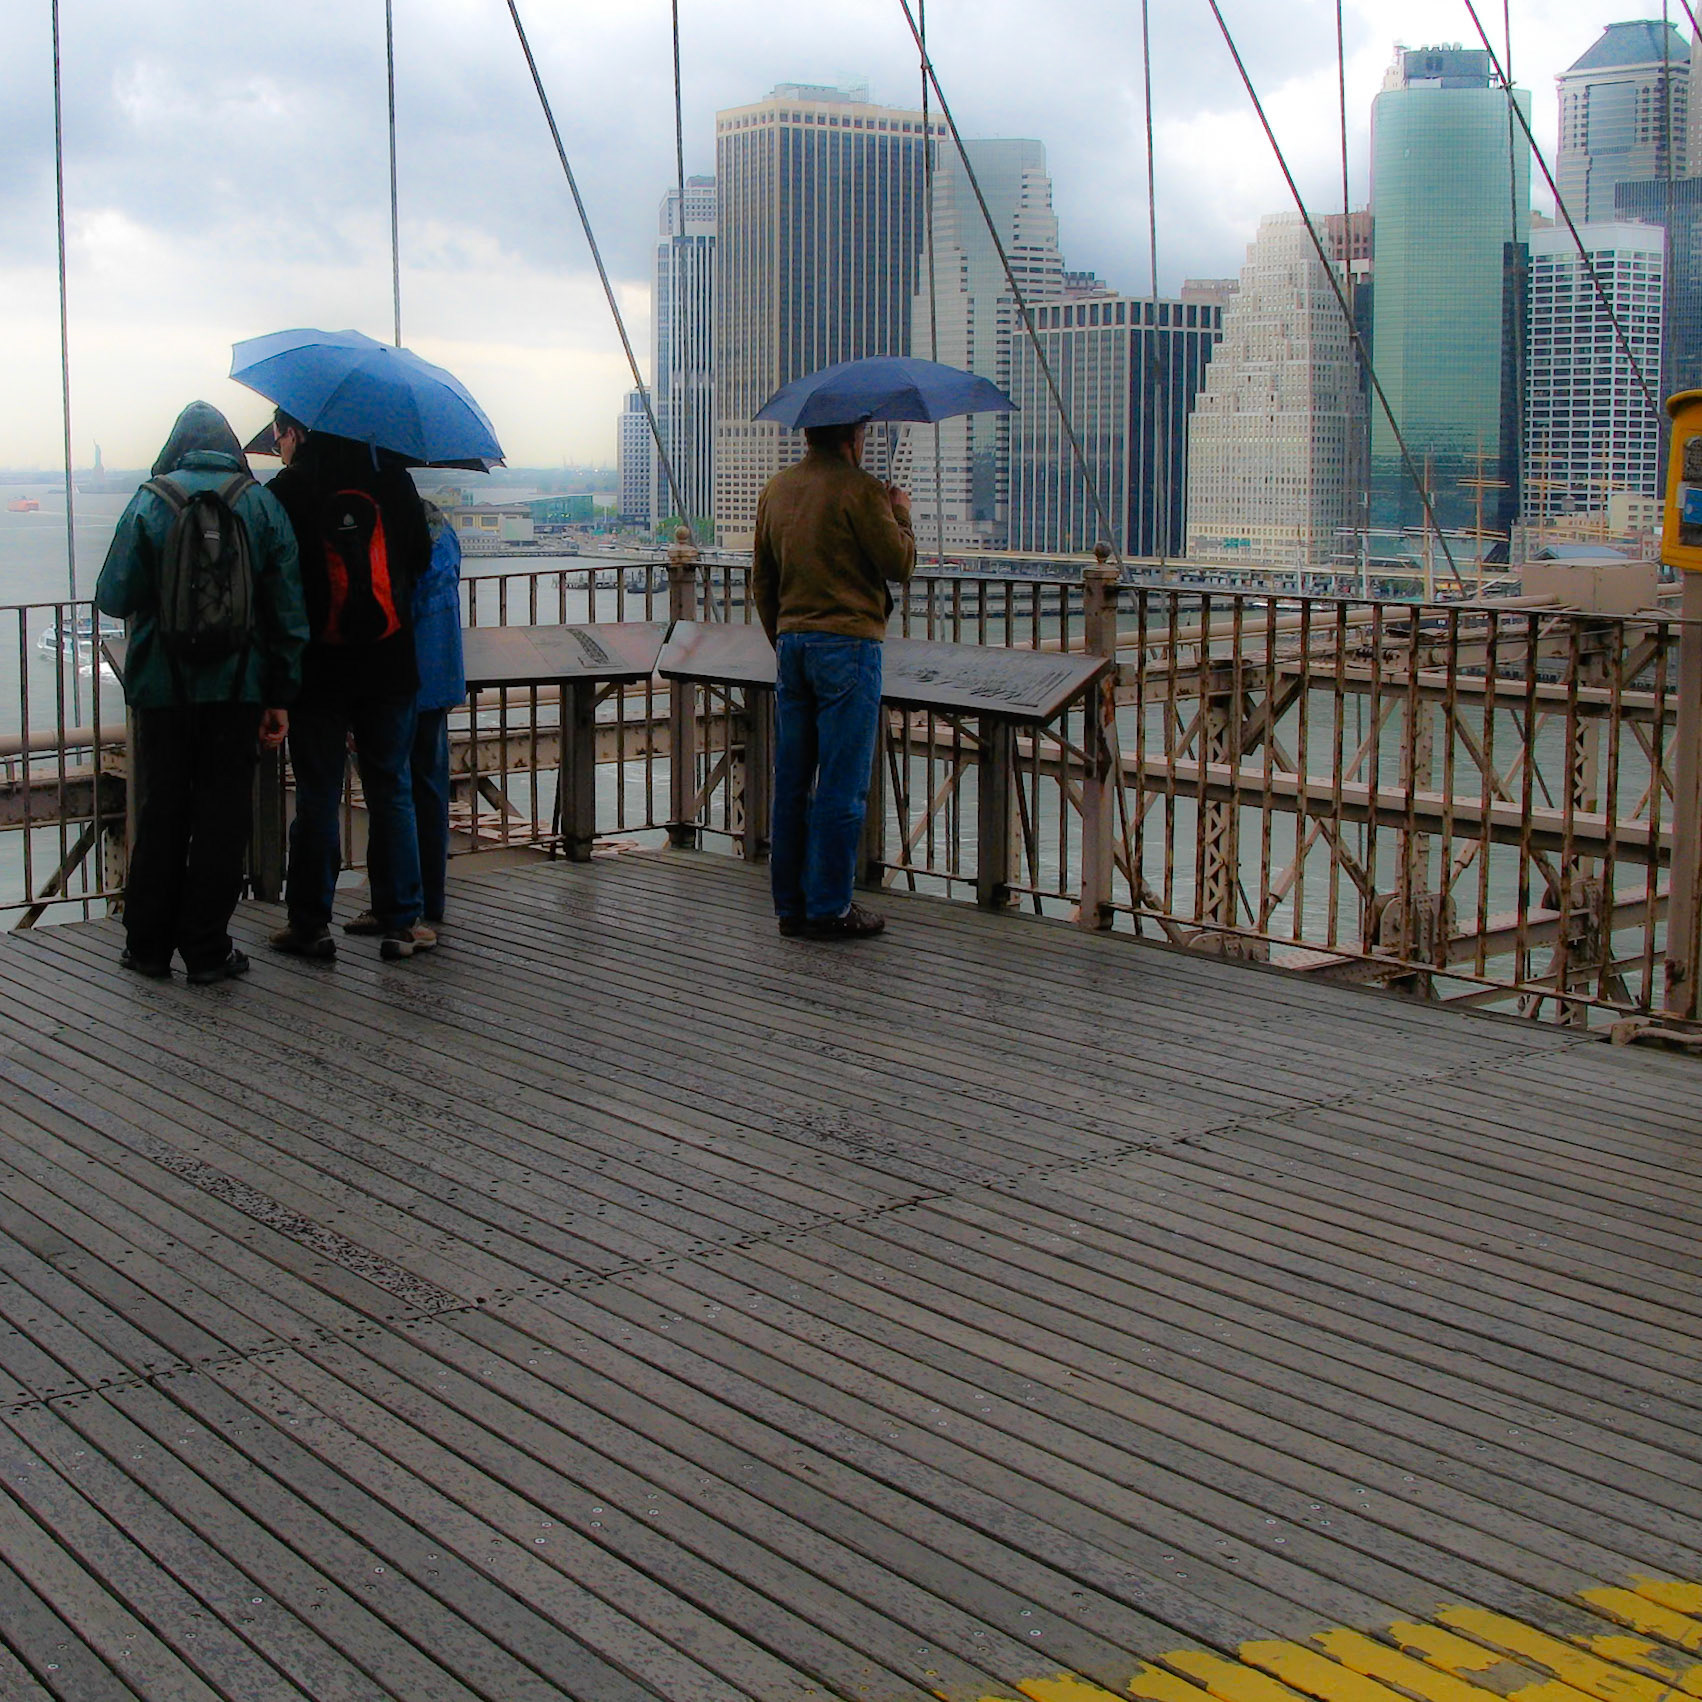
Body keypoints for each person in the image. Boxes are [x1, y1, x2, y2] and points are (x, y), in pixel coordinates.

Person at [95, 400, 308, 983]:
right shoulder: (259, 504)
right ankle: (208, 950)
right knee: (222, 814)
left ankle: (146, 947)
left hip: (162, 692)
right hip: (238, 690)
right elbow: (288, 612)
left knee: (162, 809)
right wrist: (279, 694)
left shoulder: (151, 500)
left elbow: (113, 593)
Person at [265, 410, 437, 962]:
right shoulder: (392, 480)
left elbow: (275, 581)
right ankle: (401, 921)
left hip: (317, 671)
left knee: (317, 795)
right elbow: (420, 559)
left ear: (295, 432)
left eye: (277, 436)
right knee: (392, 788)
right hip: (389, 665)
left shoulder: (287, 490)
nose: (277, 445)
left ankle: (310, 923)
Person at [751, 418, 916, 939]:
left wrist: (784, 638)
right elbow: (900, 563)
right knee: (842, 785)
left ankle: (790, 907)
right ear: (853, 438)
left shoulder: (775, 490)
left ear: (807, 435)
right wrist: (901, 513)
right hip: (848, 645)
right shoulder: (863, 491)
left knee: (793, 781)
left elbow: (762, 580)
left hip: (794, 647)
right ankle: (830, 906)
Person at [341, 499, 465, 934]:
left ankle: (394, 902)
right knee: (431, 793)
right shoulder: (441, 528)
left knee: (389, 792)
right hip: (440, 674)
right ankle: (432, 898)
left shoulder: (388, 526)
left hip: (397, 676)